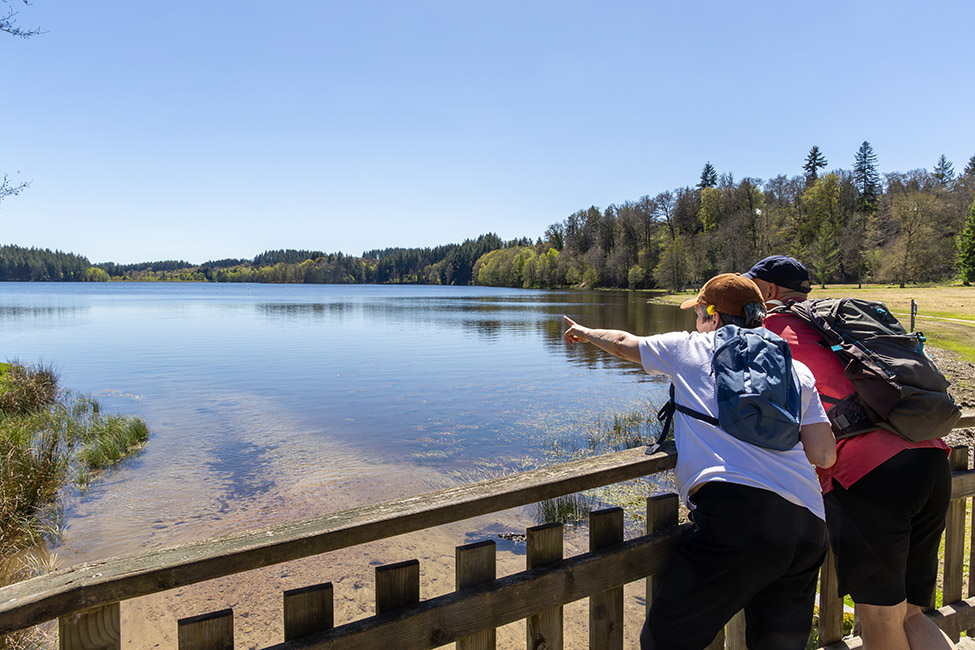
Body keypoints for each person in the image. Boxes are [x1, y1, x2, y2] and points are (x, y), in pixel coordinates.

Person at [563, 273, 836, 650]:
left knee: (665, 642)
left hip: (739, 519)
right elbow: (824, 454)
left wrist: (585, 332)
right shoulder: (794, 367)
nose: (695, 323)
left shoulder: (690, 347)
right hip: (807, 523)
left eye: (698, 314)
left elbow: (624, 343)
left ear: (713, 316)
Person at [744, 255, 955, 650]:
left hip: (870, 475)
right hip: (930, 457)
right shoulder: (831, 322)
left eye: (750, 288)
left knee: (880, 616)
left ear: (768, 290)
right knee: (911, 612)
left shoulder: (769, 332)